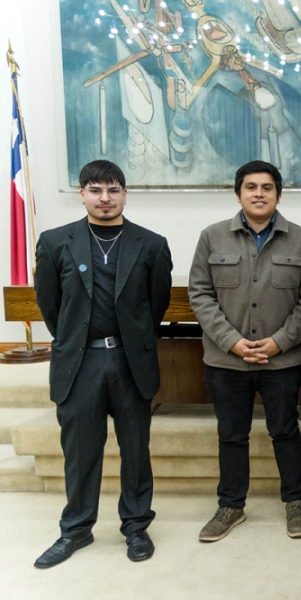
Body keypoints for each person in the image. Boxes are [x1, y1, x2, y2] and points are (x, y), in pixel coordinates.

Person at [33, 160, 172, 568]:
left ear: (125, 194)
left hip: (131, 362)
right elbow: (50, 306)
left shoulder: (151, 244)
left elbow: (156, 305)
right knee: (80, 451)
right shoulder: (56, 241)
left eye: (113, 189)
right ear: (83, 194)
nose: (105, 198)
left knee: (135, 449)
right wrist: (77, 339)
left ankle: (135, 527)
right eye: (96, 190)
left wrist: (131, 340)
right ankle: (76, 529)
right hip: (80, 363)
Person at [189, 160, 301, 542]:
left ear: (279, 194)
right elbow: (200, 293)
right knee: (231, 434)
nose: (259, 193)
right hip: (225, 360)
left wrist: (280, 341)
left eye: (267, 187)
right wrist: (231, 341)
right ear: (238, 193)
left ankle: (296, 503)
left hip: (281, 360)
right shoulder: (212, 237)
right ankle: (231, 506)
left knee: (285, 431)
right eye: (251, 187)